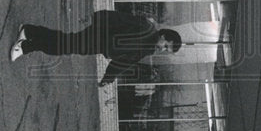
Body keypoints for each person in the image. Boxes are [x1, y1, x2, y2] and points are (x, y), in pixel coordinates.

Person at [10, 9, 182, 85]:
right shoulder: (146, 27)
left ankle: (29, 31)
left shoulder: (147, 50)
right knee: (61, 47)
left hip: (98, 47)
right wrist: (94, 18)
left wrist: (108, 78)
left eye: (167, 50)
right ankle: (25, 46)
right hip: (97, 35)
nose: (163, 49)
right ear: (163, 35)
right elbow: (118, 18)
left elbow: (123, 63)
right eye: (166, 45)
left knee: (62, 41)